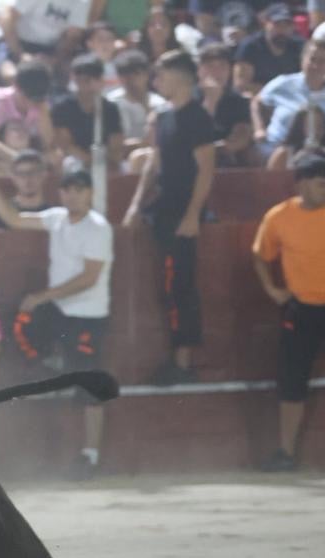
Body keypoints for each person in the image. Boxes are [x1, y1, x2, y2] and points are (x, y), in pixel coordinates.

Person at [0, 165, 115, 480]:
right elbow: (14, 219)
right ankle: (44, 365)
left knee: (89, 387)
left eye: (79, 189)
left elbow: (89, 278)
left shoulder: (98, 228)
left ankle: (90, 456)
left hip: (87, 316)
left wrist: (43, 296)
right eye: (67, 189)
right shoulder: (57, 217)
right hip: (60, 311)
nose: (72, 195)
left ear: (90, 193)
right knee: (21, 324)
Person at [252, 151, 325, 474]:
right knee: (291, 380)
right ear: (301, 184)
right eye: (321, 185)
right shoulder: (279, 217)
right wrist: (273, 290)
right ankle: (285, 453)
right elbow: (260, 256)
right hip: (301, 308)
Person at [123, 50, 213, 387]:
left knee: (180, 287)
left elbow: (206, 170)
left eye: (161, 75)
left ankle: (183, 362)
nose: (156, 81)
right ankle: (178, 360)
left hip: (181, 214)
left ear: (179, 77)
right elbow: (153, 163)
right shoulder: (163, 117)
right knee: (171, 286)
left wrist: (192, 215)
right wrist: (136, 204)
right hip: (163, 211)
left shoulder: (197, 117)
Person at [0, 59, 53, 172]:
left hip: (26, 159)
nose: (33, 103)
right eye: (29, 97)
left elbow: (47, 143)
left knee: (55, 157)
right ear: (16, 87)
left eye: (38, 98)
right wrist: (19, 159)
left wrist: (43, 112)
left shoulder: (41, 104)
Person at [51, 54, 125, 172]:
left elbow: (115, 145)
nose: (91, 85)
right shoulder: (62, 107)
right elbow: (65, 144)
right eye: (85, 80)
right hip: (76, 160)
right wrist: (90, 161)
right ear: (75, 80)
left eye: (96, 79)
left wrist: (106, 163)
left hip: (105, 161)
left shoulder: (111, 109)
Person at [0, 0, 91, 78]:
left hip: (49, 48)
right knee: (11, 75)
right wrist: (20, 55)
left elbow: (72, 36)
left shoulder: (82, 2)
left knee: (68, 77)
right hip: (12, 41)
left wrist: (54, 59)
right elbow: (7, 19)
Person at [198, 41, 257, 168]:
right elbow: (192, 135)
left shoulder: (239, 101)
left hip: (226, 157)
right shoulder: (189, 98)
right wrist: (211, 101)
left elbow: (242, 136)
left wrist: (222, 148)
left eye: (222, 66)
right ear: (200, 70)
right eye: (210, 66)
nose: (217, 72)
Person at [236, 4, 303, 94]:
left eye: (287, 25)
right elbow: (241, 85)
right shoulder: (250, 47)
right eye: (277, 24)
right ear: (265, 24)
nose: (282, 30)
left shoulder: (300, 46)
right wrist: (276, 92)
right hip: (258, 97)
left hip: (293, 97)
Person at [0, 149, 55, 229]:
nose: (27, 178)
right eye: (21, 174)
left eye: (32, 172)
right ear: (13, 177)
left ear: (43, 175)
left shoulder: (53, 215)